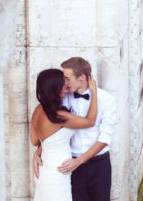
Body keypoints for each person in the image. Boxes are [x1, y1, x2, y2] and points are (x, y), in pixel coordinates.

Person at [33, 57, 116, 201]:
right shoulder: (63, 97)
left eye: (67, 78)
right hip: (70, 167)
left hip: (99, 165)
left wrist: (80, 160)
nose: (64, 83)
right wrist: (39, 151)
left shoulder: (106, 99)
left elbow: (105, 137)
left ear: (82, 77)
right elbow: (54, 131)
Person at [30, 68, 98, 201]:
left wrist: (37, 152)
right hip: (58, 173)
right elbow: (90, 121)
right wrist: (94, 93)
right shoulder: (59, 115)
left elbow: (34, 140)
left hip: (45, 170)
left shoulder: (37, 110)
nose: (66, 85)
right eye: (62, 83)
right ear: (54, 87)